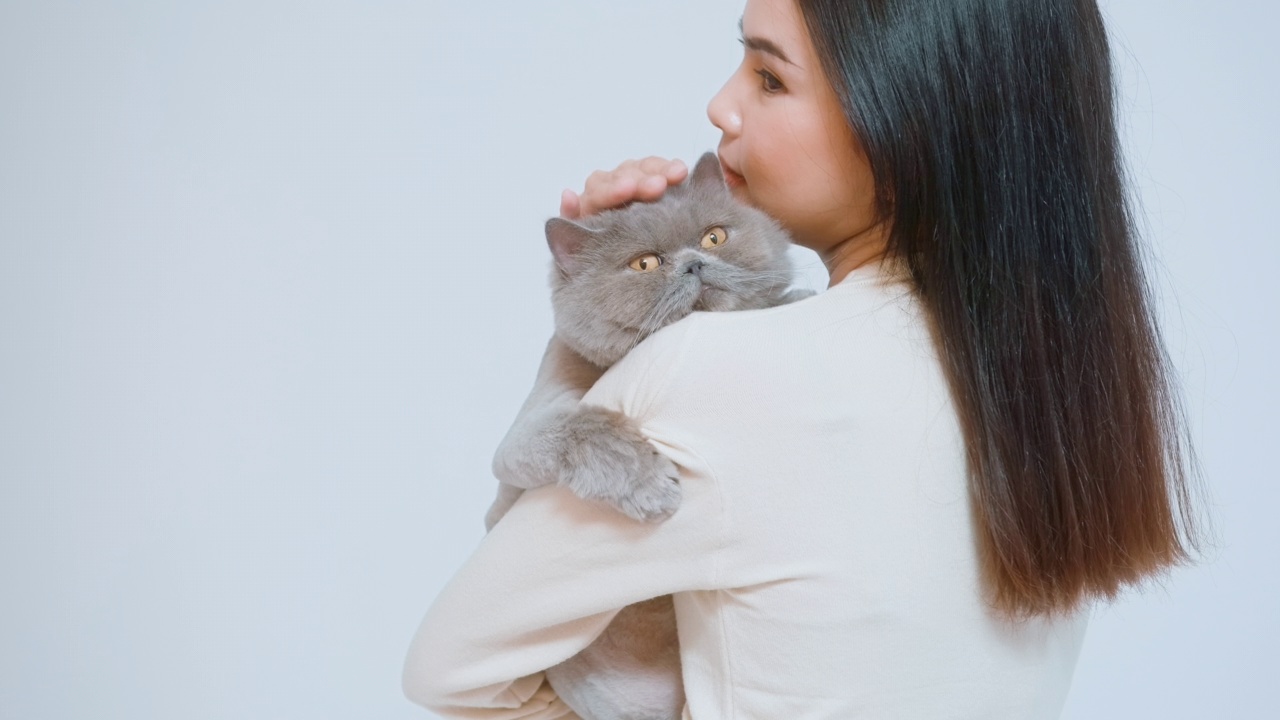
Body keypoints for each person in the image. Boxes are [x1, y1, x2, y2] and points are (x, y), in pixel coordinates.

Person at [402, 0, 1202, 717]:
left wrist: (590, 311)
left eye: (769, 78)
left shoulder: (721, 372)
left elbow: (450, 669)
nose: (721, 106)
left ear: (907, 122)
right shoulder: (1059, 394)